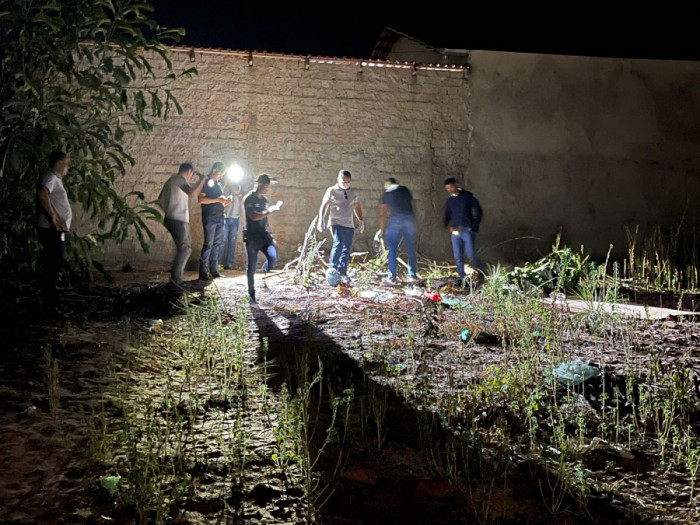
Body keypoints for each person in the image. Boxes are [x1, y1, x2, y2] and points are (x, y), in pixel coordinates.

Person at [158, 163, 206, 286]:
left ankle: (176, 278)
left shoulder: (171, 180)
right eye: (192, 174)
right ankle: (176, 280)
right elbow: (192, 193)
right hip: (177, 219)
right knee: (185, 249)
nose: (191, 177)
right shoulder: (179, 180)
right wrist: (202, 179)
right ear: (189, 171)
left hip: (171, 218)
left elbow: (160, 200)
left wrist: (168, 210)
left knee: (183, 248)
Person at [36, 150, 72, 313]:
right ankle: (49, 302)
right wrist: (52, 216)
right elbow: (42, 192)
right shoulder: (50, 177)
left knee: (55, 263)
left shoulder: (54, 178)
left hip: (56, 230)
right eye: (67, 164)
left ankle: (51, 298)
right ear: (59, 163)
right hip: (52, 230)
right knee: (53, 263)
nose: (68, 168)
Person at [317, 170, 364, 281]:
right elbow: (324, 205)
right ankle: (332, 270)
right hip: (335, 222)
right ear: (338, 180)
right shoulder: (331, 191)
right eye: (343, 182)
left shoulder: (353, 193)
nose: (345, 184)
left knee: (346, 247)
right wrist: (321, 219)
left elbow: (356, 207)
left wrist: (361, 221)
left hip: (349, 224)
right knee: (338, 243)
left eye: (347, 182)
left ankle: (342, 272)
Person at [243, 174, 283, 302]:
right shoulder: (249, 199)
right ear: (260, 185)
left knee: (272, 258)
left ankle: (263, 275)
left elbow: (265, 220)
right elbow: (253, 216)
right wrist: (269, 211)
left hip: (264, 236)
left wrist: (271, 234)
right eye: (266, 186)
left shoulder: (264, 201)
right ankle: (251, 292)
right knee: (252, 265)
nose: (267, 189)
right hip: (252, 237)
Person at [443, 177, 483, 285]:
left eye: (451, 187)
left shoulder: (467, 196)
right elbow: (447, 216)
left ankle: (481, 274)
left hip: (467, 230)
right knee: (457, 256)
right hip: (456, 231)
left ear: (455, 185)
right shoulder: (450, 201)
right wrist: (447, 226)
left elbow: (478, 211)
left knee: (470, 255)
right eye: (447, 188)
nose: (450, 190)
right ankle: (462, 278)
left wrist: (475, 225)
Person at [377, 177, 418, 284]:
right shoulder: (405, 190)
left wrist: (381, 229)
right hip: (409, 219)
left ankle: (392, 277)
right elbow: (413, 203)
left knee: (392, 248)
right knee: (410, 248)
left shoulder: (387, 193)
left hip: (395, 220)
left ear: (387, 186)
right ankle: (412, 275)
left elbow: (382, 213)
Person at [197, 162, 231, 281]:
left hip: (220, 217)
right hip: (210, 217)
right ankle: (203, 272)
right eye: (221, 173)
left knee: (217, 244)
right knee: (208, 244)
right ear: (215, 171)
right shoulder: (207, 183)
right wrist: (217, 199)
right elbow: (201, 199)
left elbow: (219, 201)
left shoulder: (219, 185)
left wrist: (225, 202)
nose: (221, 176)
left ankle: (214, 269)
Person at [220, 181, 242, 269]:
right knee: (223, 240)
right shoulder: (227, 195)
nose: (235, 190)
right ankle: (218, 263)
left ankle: (229, 263)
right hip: (226, 219)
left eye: (237, 189)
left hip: (236, 219)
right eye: (234, 188)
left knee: (232, 241)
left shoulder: (240, 197)